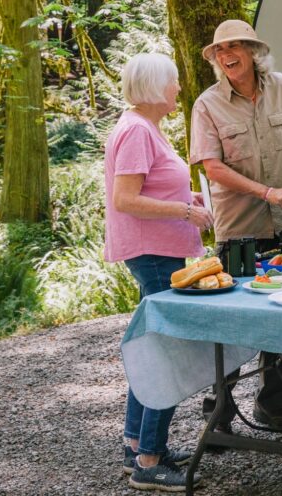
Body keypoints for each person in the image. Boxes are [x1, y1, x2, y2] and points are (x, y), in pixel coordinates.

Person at [190, 19, 282, 431]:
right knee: (233, 323)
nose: (226, 55)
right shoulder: (207, 104)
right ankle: (218, 412)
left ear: (254, 52)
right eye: (220, 50)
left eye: (235, 46)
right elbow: (212, 168)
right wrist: (266, 192)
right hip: (240, 232)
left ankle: (272, 405)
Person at [104, 52, 214, 492]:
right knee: (165, 352)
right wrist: (184, 210)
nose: (178, 90)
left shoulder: (146, 128)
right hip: (151, 253)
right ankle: (150, 460)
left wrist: (189, 197)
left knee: (151, 348)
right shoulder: (135, 130)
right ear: (154, 87)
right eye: (172, 83)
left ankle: (137, 447)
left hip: (159, 250)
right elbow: (125, 199)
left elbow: (151, 186)